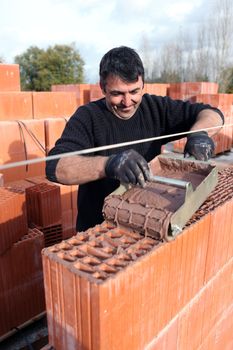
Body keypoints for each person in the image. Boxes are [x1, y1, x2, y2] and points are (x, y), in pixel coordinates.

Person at [46, 46, 224, 232]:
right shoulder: (88, 117)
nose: (127, 101)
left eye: (134, 91)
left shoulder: (155, 108)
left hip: (146, 222)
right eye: (117, 93)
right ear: (102, 87)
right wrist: (110, 165)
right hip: (98, 228)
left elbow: (212, 114)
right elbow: (55, 167)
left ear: (143, 84)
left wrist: (199, 134)